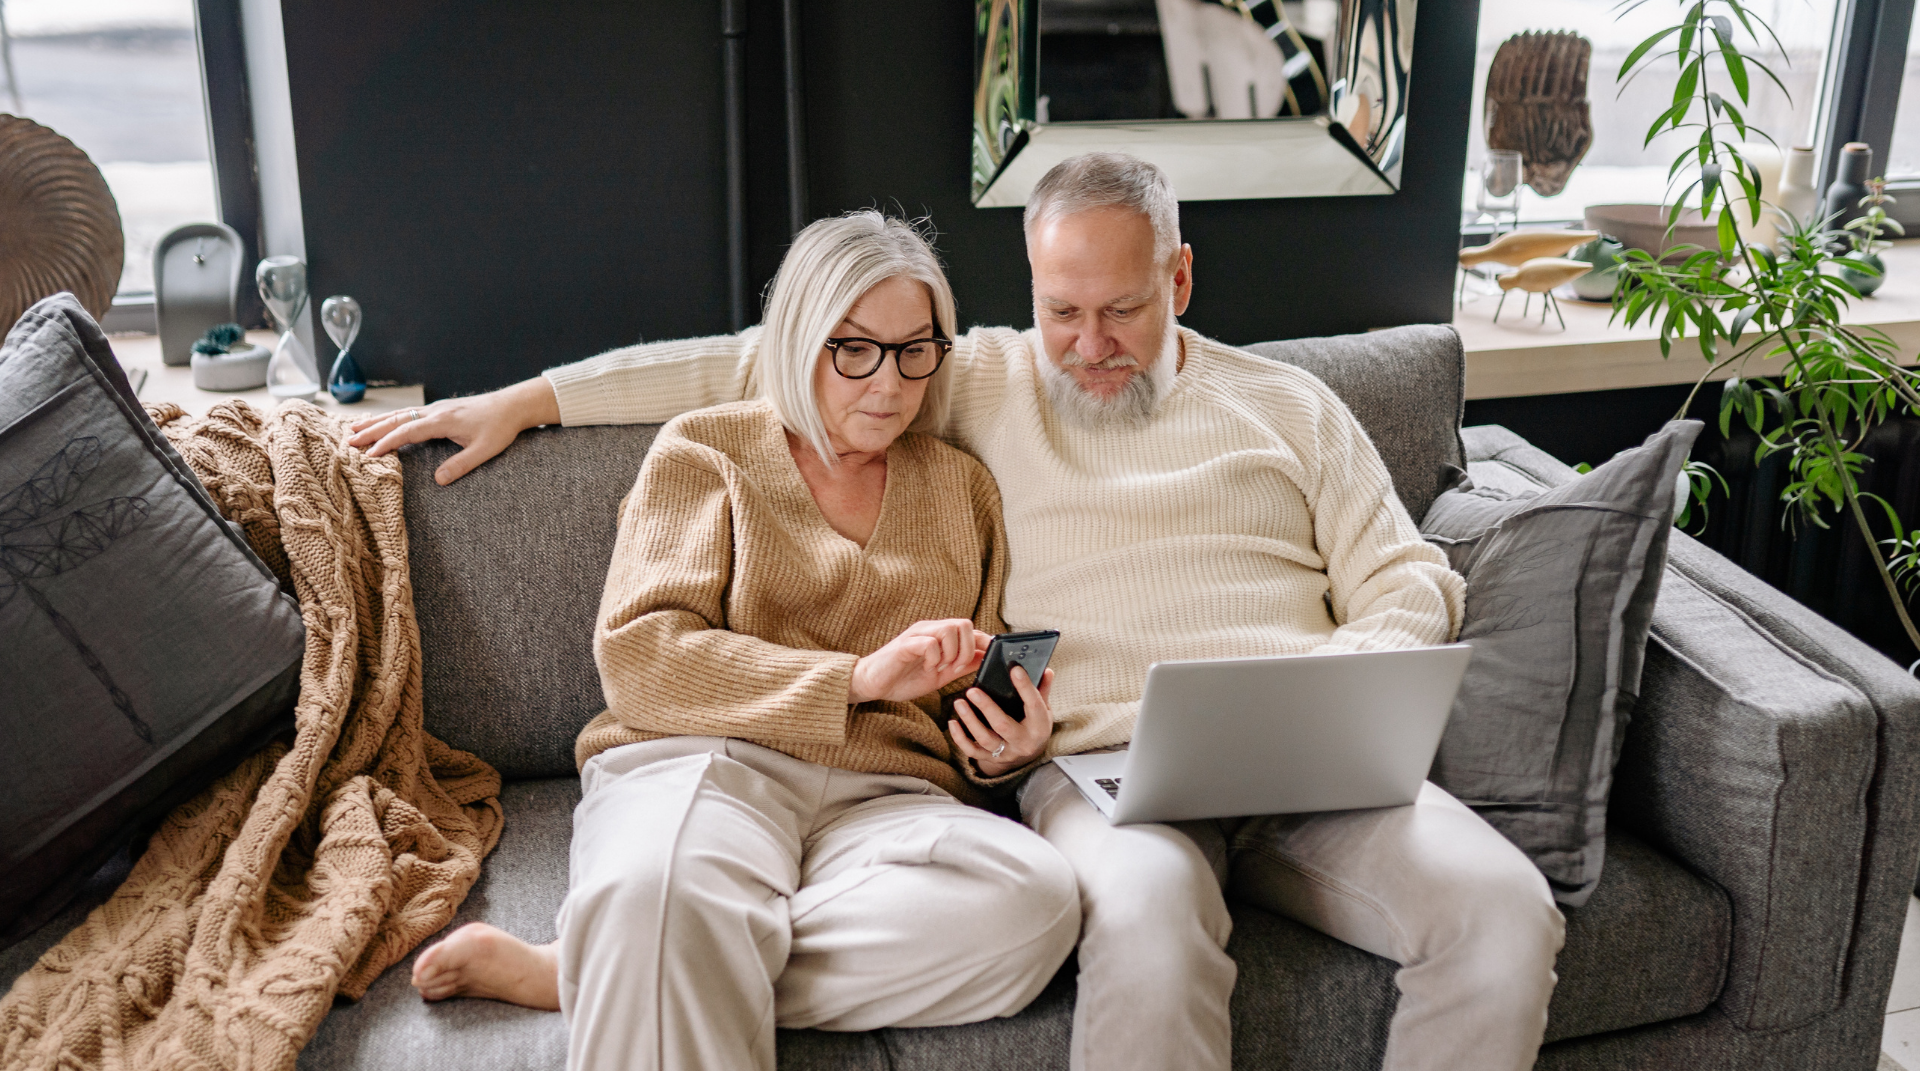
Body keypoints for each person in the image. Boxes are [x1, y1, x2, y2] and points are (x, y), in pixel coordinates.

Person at [358, 154, 1566, 1071]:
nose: (1089, 347)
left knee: (1505, 913)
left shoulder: (1291, 408)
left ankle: (630, 965)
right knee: (1141, 918)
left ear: (1181, 279)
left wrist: (1343, 680)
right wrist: (531, 398)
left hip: (1314, 753)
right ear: (1030, 293)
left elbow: (1411, 576)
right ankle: (643, 953)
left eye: (1124, 311)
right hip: (1101, 765)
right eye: (1061, 311)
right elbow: (756, 361)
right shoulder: (970, 377)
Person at [402, 211, 1081, 1071]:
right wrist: (856, 679)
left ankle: (603, 965)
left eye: (917, 350)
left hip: (889, 799)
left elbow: (957, 701)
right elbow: (641, 660)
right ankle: (642, 944)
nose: (891, 382)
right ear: (799, 339)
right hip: (706, 762)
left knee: (1037, 903)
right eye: (856, 348)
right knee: (655, 891)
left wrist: (1005, 752)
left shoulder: (962, 489)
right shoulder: (706, 451)